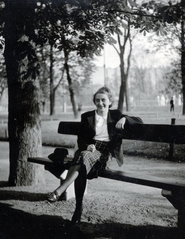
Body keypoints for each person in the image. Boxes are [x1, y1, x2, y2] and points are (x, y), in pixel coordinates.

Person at [46, 86, 143, 225]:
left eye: (103, 100)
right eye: (97, 100)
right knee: (83, 161)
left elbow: (139, 121)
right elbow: (81, 139)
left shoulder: (115, 115)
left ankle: (64, 194)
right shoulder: (87, 116)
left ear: (110, 102)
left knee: (81, 160)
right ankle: (76, 206)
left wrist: (125, 119)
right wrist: (87, 146)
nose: (100, 103)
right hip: (89, 150)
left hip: (104, 154)